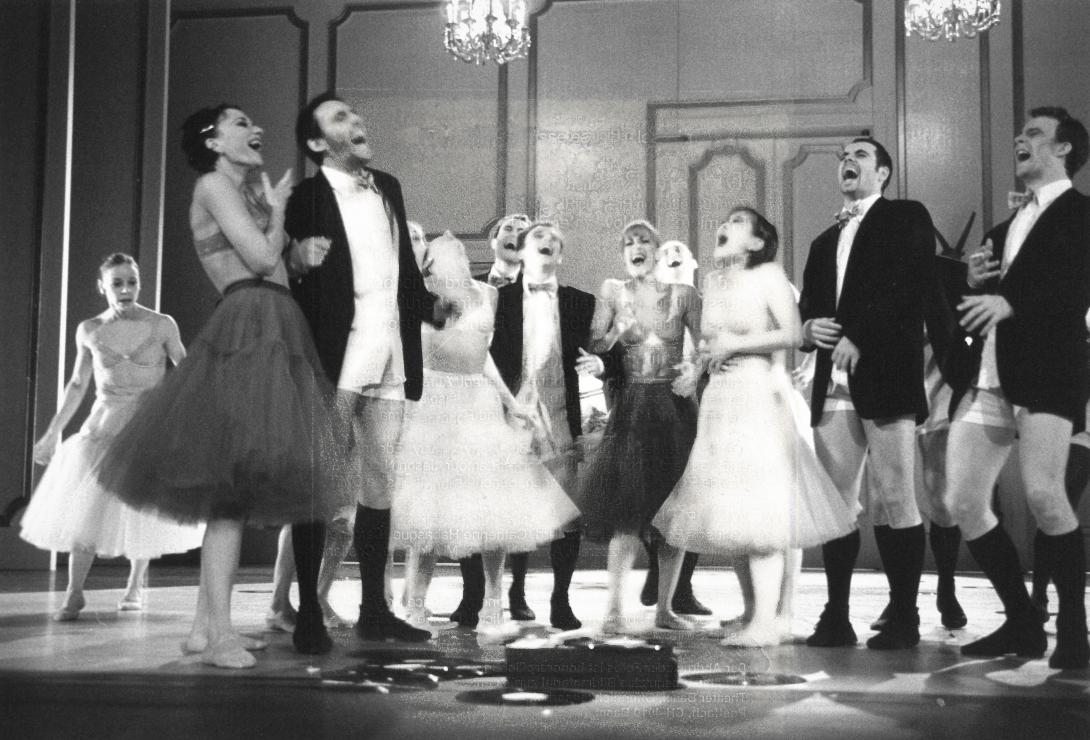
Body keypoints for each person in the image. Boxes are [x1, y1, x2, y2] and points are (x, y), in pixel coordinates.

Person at [96, 104, 344, 668]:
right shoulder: (213, 184)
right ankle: (219, 637)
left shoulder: (243, 191)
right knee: (228, 497)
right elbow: (259, 257)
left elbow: (275, 263)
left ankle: (204, 630)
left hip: (270, 317)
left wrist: (298, 254)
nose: (256, 129)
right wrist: (280, 214)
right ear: (212, 141)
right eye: (240, 123)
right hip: (251, 322)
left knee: (232, 495)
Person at [653, 209, 856, 646]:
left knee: (759, 508)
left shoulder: (770, 277)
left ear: (758, 242)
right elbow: (711, 342)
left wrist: (736, 345)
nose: (725, 225)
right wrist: (698, 366)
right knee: (732, 510)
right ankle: (751, 612)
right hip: (720, 399)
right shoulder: (712, 282)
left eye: (738, 222)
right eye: (725, 220)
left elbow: (794, 334)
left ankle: (768, 620)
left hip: (756, 394)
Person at [285, 92, 445, 645]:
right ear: (316, 141)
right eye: (339, 117)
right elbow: (285, 270)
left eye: (354, 113)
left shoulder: (388, 187)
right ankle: (309, 613)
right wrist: (293, 259)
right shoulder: (306, 197)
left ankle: (374, 609)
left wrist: (430, 308)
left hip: (389, 346)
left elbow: (404, 274)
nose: (355, 120)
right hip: (336, 352)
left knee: (380, 478)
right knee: (320, 481)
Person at [943, 106, 1090, 669]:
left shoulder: (1082, 213)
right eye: (1020, 133)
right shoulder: (1004, 228)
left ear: (1064, 149)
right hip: (990, 374)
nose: (1019, 139)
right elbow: (978, 303)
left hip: (1050, 371)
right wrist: (973, 279)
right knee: (962, 500)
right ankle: (1023, 623)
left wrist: (1010, 301)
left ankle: (1073, 628)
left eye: (1034, 133)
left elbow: (1074, 288)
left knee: (1046, 497)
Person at [391, 232, 580, 640]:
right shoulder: (421, 297)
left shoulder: (487, 294)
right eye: (445, 252)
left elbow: (484, 356)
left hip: (478, 404)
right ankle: (416, 607)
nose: (456, 251)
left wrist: (511, 403)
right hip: (436, 405)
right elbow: (409, 355)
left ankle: (493, 604)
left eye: (459, 249)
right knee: (429, 510)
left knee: (493, 508)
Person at [798, 136, 945, 650]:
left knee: (895, 497)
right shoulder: (823, 241)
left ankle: (905, 615)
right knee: (838, 504)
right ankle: (836, 615)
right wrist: (808, 327)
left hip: (887, 375)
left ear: (883, 173)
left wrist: (859, 334)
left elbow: (909, 285)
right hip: (833, 383)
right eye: (843, 155)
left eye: (860, 155)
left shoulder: (906, 217)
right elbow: (810, 305)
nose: (848, 160)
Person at [21, 253, 203, 621]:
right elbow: (77, 384)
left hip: (146, 429)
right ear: (102, 287)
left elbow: (186, 371)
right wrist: (52, 432)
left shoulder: (161, 324)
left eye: (131, 282)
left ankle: (134, 586)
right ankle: (74, 593)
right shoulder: (90, 329)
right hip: (102, 429)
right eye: (117, 283)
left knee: (142, 511)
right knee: (86, 510)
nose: (125, 289)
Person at [575, 220, 700, 634]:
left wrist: (694, 372)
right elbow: (595, 344)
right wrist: (616, 330)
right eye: (628, 242)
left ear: (657, 249)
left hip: (675, 410)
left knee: (674, 514)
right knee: (626, 513)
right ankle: (613, 610)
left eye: (643, 240)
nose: (636, 247)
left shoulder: (684, 295)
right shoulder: (613, 291)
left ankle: (665, 608)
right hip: (633, 409)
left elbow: (705, 345)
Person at [453, 212, 538, 626]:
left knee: (513, 500)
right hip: (476, 398)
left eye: (523, 232)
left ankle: (514, 593)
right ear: (492, 240)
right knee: (471, 498)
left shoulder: (538, 290)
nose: (515, 235)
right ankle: (472, 594)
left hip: (519, 397)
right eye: (508, 229)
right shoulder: (471, 289)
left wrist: (524, 397)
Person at [637, 238, 711, 617]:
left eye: (679, 252)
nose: (673, 255)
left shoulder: (700, 301)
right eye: (666, 253)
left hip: (689, 405)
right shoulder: (643, 299)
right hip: (649, 405)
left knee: (689, 495)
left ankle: (681, 587)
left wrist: (694, 373)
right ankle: (659, 569)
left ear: (693, 264)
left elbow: (708, 346)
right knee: (651, 495)